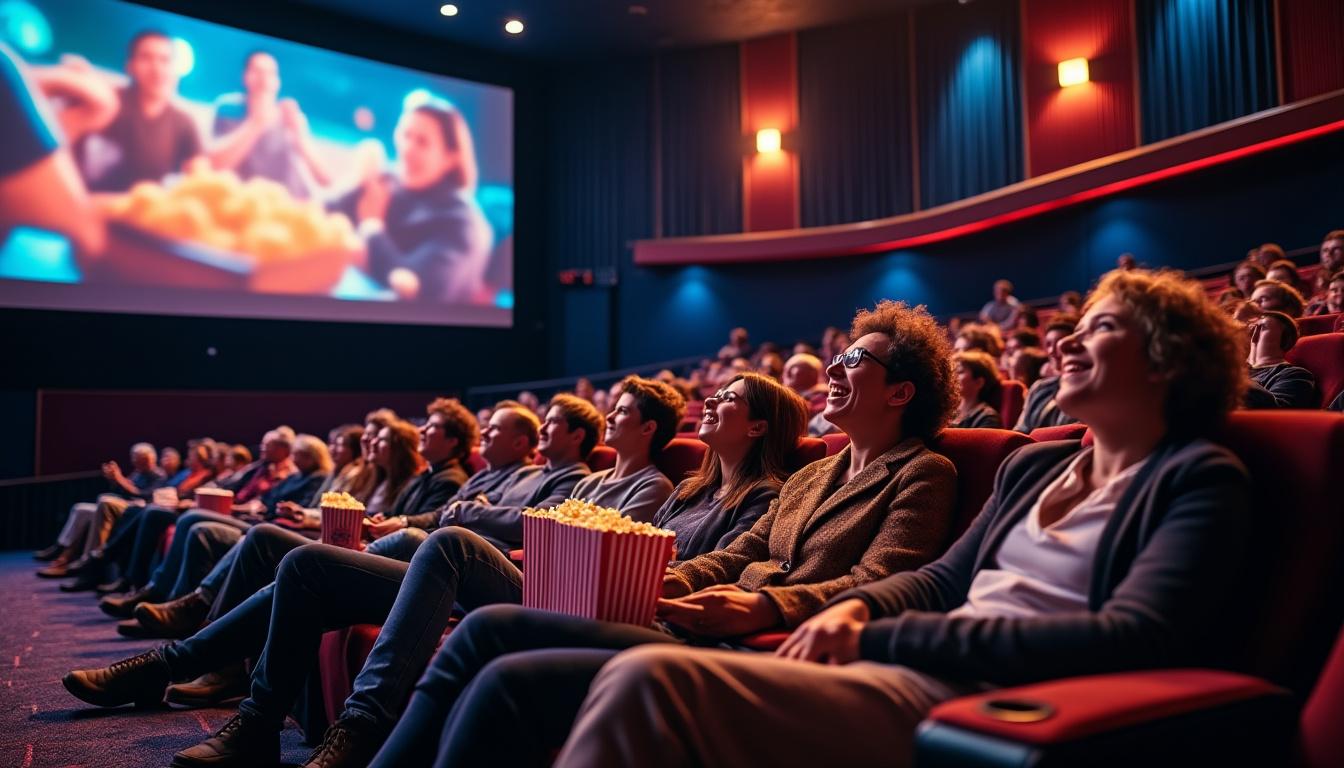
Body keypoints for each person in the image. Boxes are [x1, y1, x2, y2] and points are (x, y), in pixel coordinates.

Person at [548, 268, 1253, 768]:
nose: (1066, 341)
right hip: (922, 662)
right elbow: (940, 581)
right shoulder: (1036, 467)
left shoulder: (1197, 477)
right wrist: (855, 613)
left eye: (1099, 328)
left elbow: (1138, 635)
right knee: (592, 679)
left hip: (997, 694)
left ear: (1166, 361)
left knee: (647, 684)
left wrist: (879, 636)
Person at [359, 300, 960, 768]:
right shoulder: (813, 474)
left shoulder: (924, 472)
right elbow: (735, 554)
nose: (834, 367)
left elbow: (881, 581)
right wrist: (662, 580)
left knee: (500, 660)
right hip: (693, 620)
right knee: (488, 630)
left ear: (901, 392)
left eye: (854, 361)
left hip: (758, 644)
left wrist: (764, 605)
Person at [62, 396, 600, 766]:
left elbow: (537, 526)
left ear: (542, 438)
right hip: (435, 557)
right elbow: (452, 517)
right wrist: (462, 511)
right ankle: (212, 684)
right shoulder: (488, 478)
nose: (484, 435)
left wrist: (464, 512)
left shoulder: (561, 479)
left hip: (479, 574)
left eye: (502, 429)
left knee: (326, 559)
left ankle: (197, 671)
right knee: (298, 562)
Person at [331, 98, 491, 303]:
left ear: (450, 157)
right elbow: (322, 212)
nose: (407, 149)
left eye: (422, 142)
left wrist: (371, 227)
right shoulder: (387, 182)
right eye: (405, 135)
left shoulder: (463, 225)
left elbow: (417, 291)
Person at [78, 30, 202, 191]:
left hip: (148, 210)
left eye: (165, 60)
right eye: (146, 58)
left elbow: (201, 178)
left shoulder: (184, 122)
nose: (156, 68)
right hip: (85, 204)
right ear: (130, 66)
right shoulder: (106, 102)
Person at [205, 51, 330, 198]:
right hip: (247, 204)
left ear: (278, 82)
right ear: (245, 76)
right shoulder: (229, 108)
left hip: (290, 205)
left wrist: (301, 139)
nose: (263, 79)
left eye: (270, 73)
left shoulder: (288, 117)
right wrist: (256, 123)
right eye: (257, 71)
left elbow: (326, 180)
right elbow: (214, 165)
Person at [35, 443, 165, 577]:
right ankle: (62, 551)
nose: (134, 462)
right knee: (81, 509)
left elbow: (143, 495)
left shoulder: (159, 475)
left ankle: (87, 561)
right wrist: (114, 480)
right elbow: (123, 491)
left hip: (135, 510)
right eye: (133, 458)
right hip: (123, 504)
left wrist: (119, 478)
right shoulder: (138, 473)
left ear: (149, 458)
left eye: (138, 459)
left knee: (104, 500)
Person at [568, 377, 682, 523]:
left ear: (647, 428)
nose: (609, 417)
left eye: (622, 411)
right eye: (614, 409)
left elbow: (612, 541)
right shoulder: (587, 483)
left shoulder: (655, 488)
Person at [1244, 310, 1317, 409]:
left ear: (1286, 339)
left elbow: (1279, 414)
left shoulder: (1295, 374)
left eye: (1262, 327)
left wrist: (1238, 375)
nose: (1252, 329)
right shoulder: (1231, 368)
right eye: (1251, 325)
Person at [952, 350, 1002, 429]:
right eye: (953, 371)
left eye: (960, 372)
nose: (953, 376)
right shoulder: (948, 412)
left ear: (979, 382)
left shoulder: (988, 418)